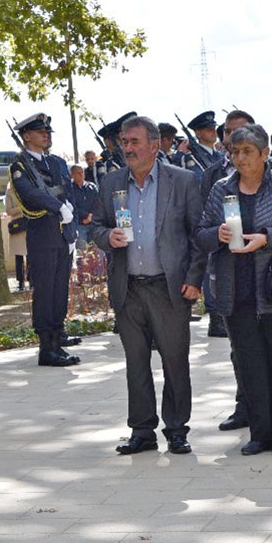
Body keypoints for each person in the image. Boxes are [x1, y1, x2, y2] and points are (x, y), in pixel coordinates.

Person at [195, 124, 272, 456]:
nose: (240, 158)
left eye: (247, 151)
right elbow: (201, 233)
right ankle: (260, 433)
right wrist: (215, 234)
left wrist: (267, 237)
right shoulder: (222, 188)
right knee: (251, 365)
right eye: (234, 151)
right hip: (238, 290)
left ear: (264, 154)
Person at [88, 116, 205, 455]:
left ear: (154, 145)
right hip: (129, 287)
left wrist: (194, 279)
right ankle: (142, 430)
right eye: (124, 142)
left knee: (174, 361)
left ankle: (177, 429)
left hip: (169, 287)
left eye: (134, 142)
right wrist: (107, 236)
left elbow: (197, 234)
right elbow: (95, 226)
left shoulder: (181, 181)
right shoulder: (111, 184)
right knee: (136, 362)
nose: (127, 148)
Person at [9, 113, 81, 367]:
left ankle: (58, 340)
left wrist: (70, 224)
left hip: (62, 234)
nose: (46, 135)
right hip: (42, 234)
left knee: (60, 289)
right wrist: (58, 207)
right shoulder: (20, 165)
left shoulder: (58, 163)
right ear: (26, 136)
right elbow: (30, 195)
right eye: (40, 131)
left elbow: (69, 193)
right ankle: (46, 347)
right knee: (45, 291)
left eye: (48, 131)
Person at [200, 110, 253, 358]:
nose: (233, 136)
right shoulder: (213, 175)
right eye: (228, 131)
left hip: (264, 266)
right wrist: (215, 233)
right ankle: (246, 395)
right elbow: (201, 226)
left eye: (239, 130)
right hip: (228, 266)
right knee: (240, 349)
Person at [5, 177, 30, 291]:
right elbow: (9, 210)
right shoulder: (9, 193)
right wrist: (21, 208)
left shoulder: (27, 190)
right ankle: (20, 282)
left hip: (29, 225)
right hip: (17, 226)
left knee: (30, 255)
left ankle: (31, 280)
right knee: (19, 256)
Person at [70, 164, 98, 246]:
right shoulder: (69, 189)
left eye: (82, 172)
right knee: (82, 252)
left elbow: (97, 203)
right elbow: (72, 207)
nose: (81, 175)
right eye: (78, 173)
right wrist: (85, 216)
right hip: (79, 225)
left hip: (93, 223)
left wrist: (91, 216)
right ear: (72, 175)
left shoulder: (92, 187)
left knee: (96, 251)